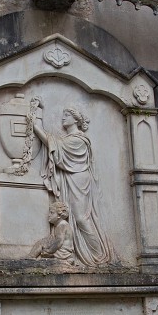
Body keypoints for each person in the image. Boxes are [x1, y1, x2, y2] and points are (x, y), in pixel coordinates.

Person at [32, 104, 114, 267]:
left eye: (67, 115)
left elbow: (55, 146)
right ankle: (72, 253)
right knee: (71, 218)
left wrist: (37, 126)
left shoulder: (79, 140)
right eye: (63, 114)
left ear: (76, 119)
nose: (63, 117)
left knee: (81, 219)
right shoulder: (69, 139)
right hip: (70, 178)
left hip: (79, 180)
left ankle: (99, 257)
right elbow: (56, 145)